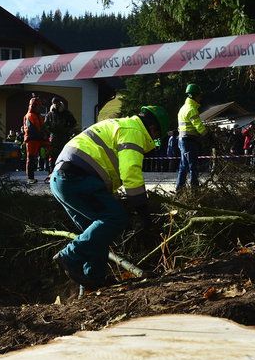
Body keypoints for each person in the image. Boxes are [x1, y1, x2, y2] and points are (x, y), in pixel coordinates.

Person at [50, 106, 171, 289]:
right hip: (78, 178)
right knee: (115, 217)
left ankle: (93, 283)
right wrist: (143, 213)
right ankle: (69, 256)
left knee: (96, 235)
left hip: (61, 180)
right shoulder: (134, 132)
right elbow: (131, 172)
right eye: (156, 137)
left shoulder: (120, 125)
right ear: (153, 129)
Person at [176, 83, 207, 191]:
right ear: (194, 95)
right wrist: (206, 133)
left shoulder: (183, 108)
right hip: (189, 141)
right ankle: (194, 189)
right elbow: (199, 126)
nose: (200, 98)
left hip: (182, 140)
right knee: (192, 166)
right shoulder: (192, 109)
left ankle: (179, 189)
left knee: (183, 166)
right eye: (199, 96)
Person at [45, 98, 77, 172]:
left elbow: (74, 123)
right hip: (54, 137)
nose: (56, 104)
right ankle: (51, 172)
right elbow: (45, 125)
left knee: (63, 155)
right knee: (52, 155)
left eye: (57, 103)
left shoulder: (66, 113)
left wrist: (67, 130)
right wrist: (50, 131)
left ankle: (62, 171)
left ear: (59, 103)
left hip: (64, 137)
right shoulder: (50, 114)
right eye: (54, 103)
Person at [23, 94, 46, 184]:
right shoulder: (30, 116)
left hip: (37, 139)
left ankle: (49, 175)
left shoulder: (37, 116)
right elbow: (31, 129)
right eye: (38, 106)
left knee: (36, 158)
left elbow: (42, 127)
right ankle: (30, 177)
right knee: (31, 158)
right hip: (32, 139)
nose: (39, 108)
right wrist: (42, 136)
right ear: (34, 106)